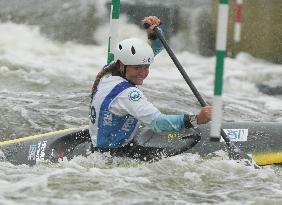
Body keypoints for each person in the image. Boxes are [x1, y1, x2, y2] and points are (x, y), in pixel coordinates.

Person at [89, 16, 212, 160]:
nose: (142, 72)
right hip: (116, 156)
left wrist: (154, 33)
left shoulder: (109, 71)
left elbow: (155, 49)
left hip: (100, 149)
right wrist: (196, 119)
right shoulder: (127, 94)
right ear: (122, 65)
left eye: (146, 67)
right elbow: (157, 122)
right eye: (137, 68)